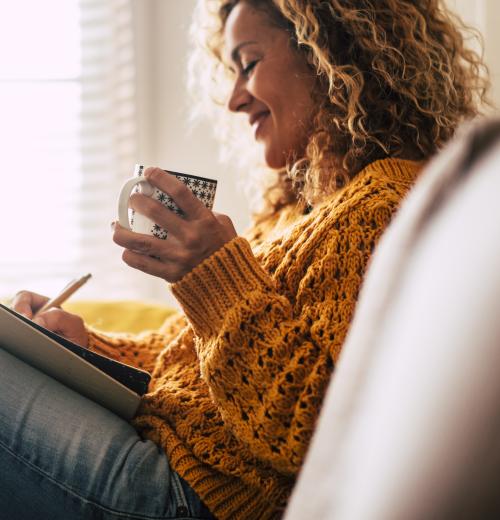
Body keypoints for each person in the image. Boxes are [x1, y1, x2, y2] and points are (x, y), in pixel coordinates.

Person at [2, 1, 489, 519]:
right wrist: (86, 347)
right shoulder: (297, 208)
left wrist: (213, 277)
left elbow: (319, 438)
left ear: (330, 54)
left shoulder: (383, 210)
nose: (235, 99)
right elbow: (189, 359)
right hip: (166, 451)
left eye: (249, 63)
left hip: (191, 496)